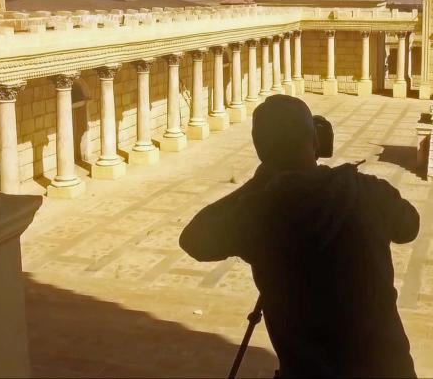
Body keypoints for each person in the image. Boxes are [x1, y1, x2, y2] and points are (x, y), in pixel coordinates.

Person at [180, 95, 420, 378]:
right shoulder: (370, 191)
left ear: (261, 151)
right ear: (316, 141)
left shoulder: (259, 213)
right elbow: (410, 227)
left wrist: (259, 181)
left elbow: (194, 238)